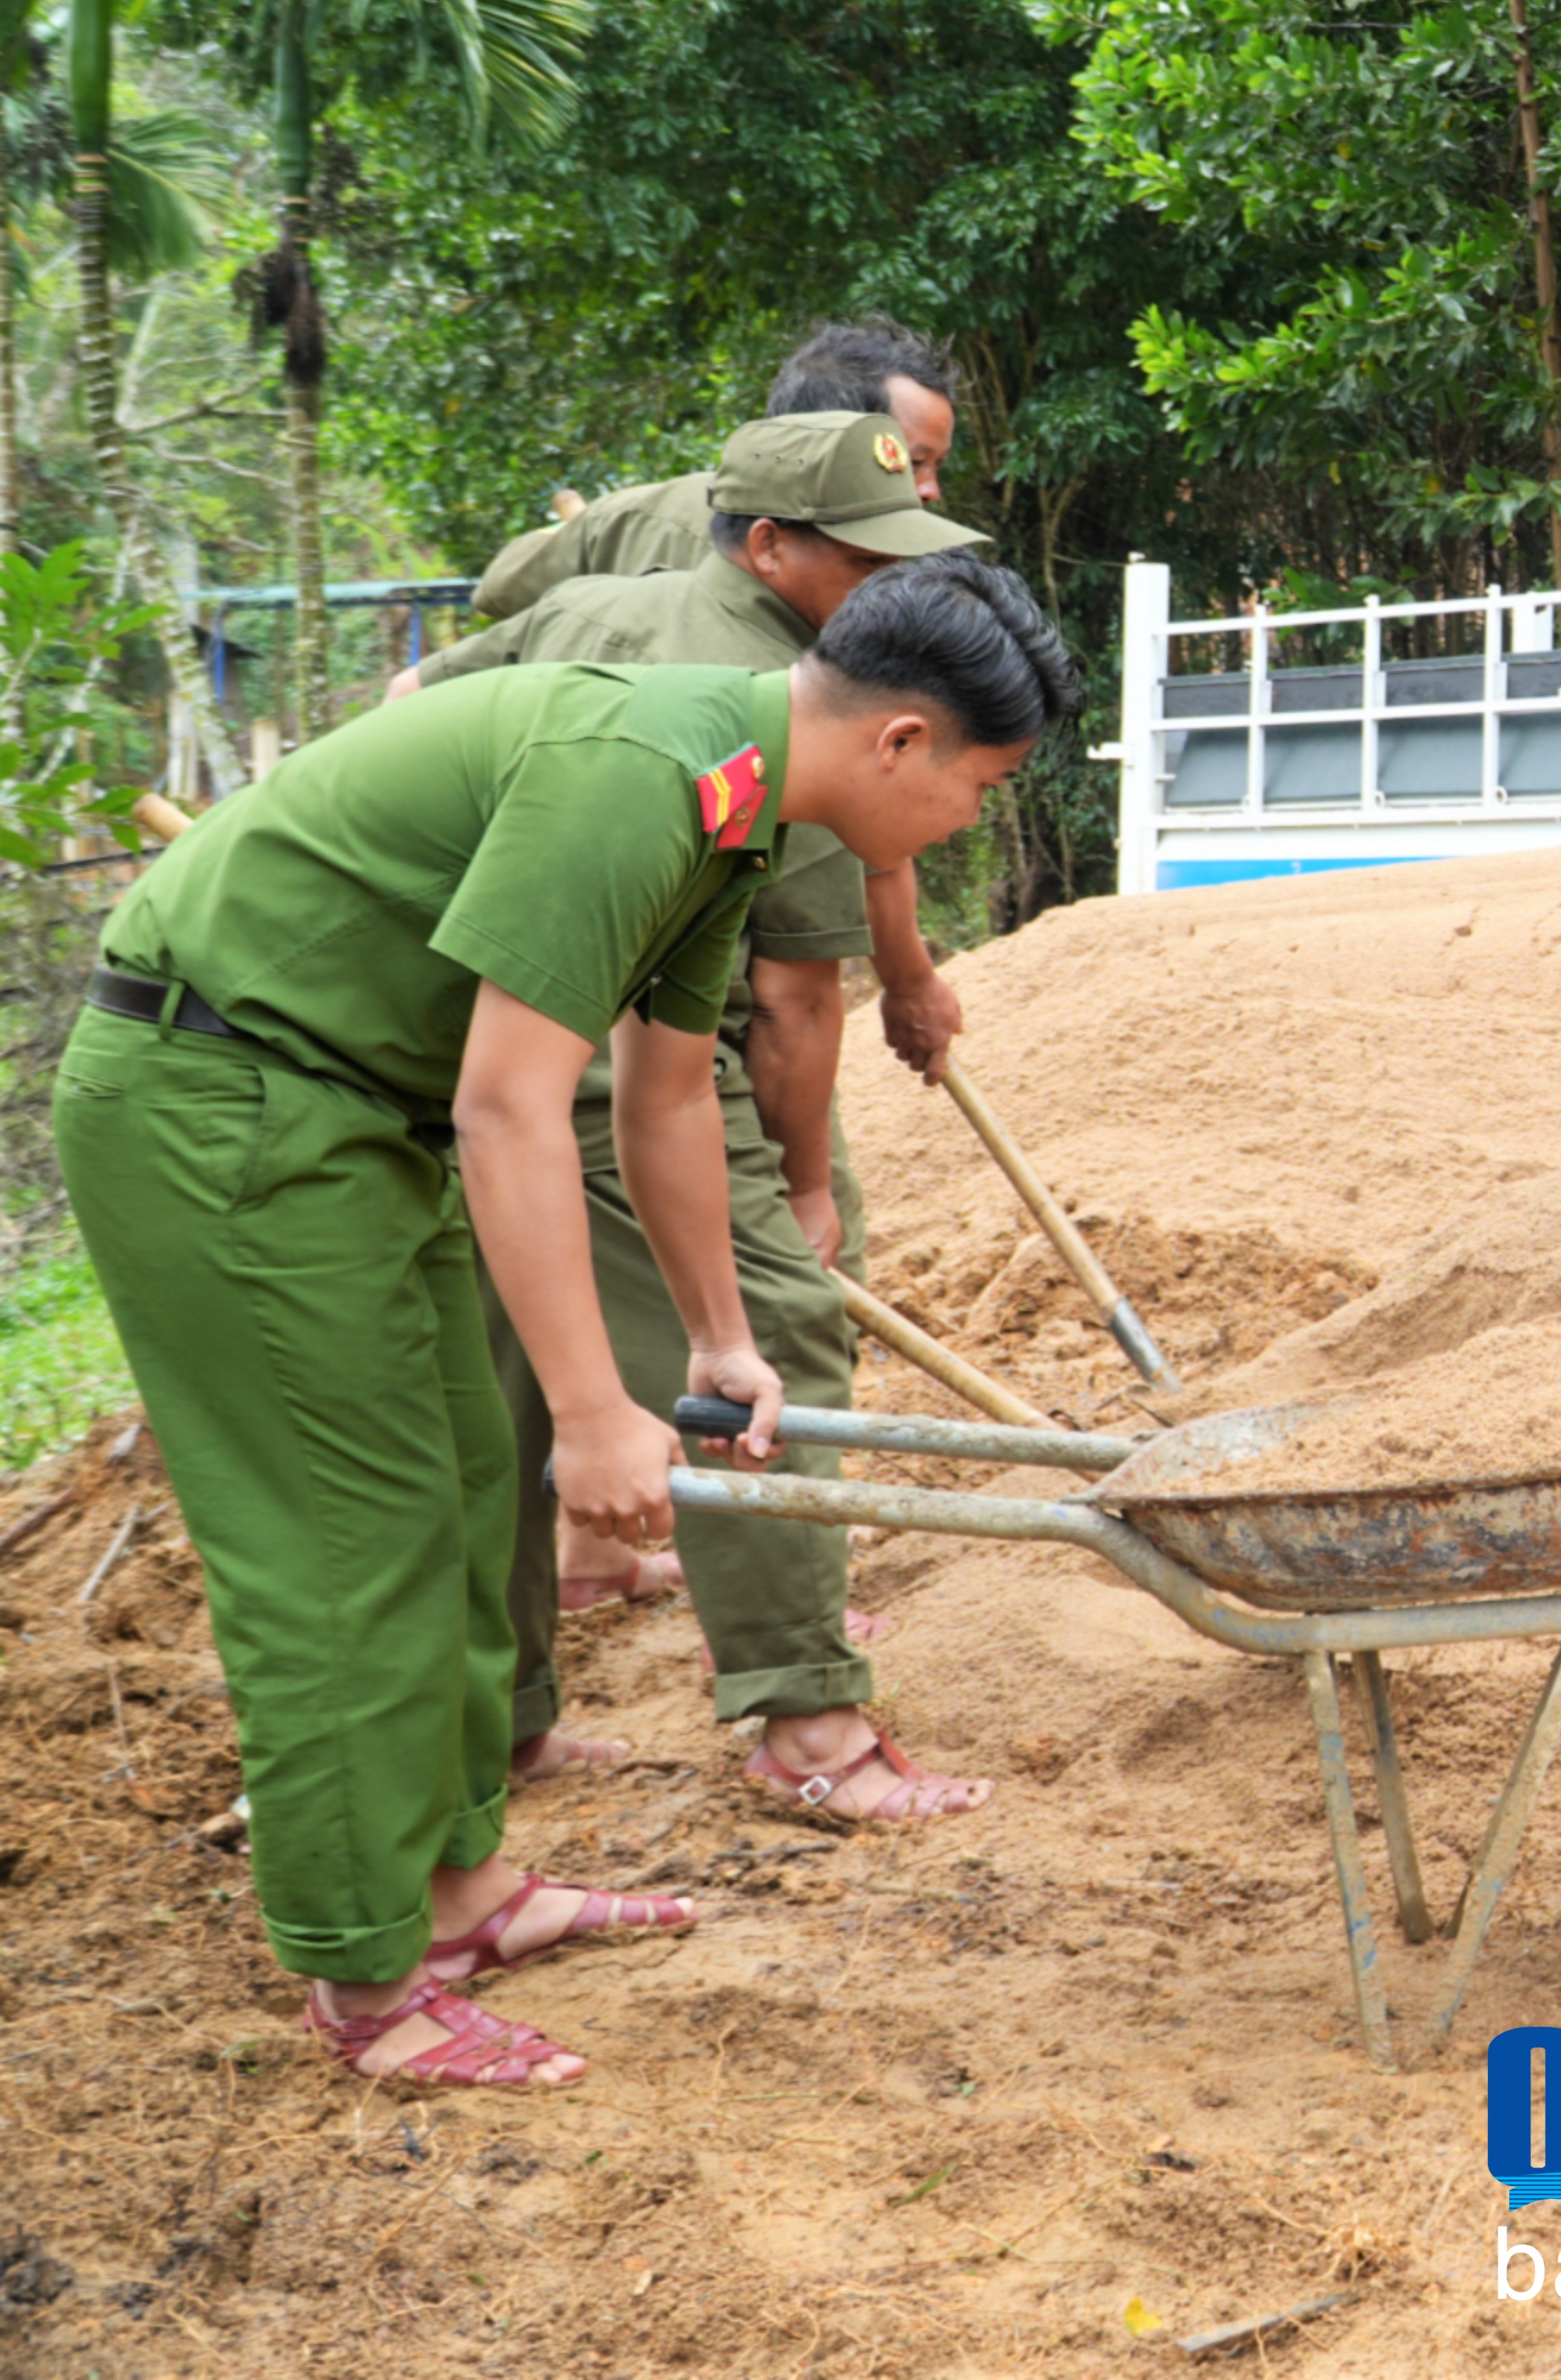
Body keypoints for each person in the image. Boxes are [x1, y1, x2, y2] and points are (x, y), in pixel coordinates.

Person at [54, 553, 1080, 2085]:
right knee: (351, 1543)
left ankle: (461, 1891)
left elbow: (661, 1091)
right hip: (225, 1105)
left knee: (471, 1501)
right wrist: (599, 1411)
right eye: (981, 787)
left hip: (341, 1112)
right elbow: (509, 1104)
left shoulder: (731, 797)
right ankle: (367, 1982)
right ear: (900, 743)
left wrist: (716, 1337)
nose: (967, 824)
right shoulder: (640, 774)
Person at [424, 413, 1005, 1819]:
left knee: (498, 1369)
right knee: (781, 1328)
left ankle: (499, 1723)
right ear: (771, 547)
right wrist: (799, 1198)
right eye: (869, 559)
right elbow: (797, 1000)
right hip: (540, 1027)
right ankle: (808, 1719)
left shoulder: (607, 594)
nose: (895, 588)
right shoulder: (776, 709)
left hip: (471, 994)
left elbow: (427, 699)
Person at [455, 319, 958, 629]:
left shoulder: (638, 512)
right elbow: (499, 590)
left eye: (937, 466)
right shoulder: (844, 581)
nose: (932, 491)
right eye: (913, 464)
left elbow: (498, 589)